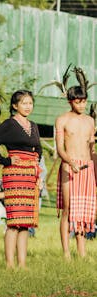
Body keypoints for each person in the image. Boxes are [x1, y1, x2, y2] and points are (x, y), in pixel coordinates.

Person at [0, 90, 42, 269]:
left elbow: (38, 149)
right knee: (14, 221)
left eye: (30, 103)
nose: (28, 106)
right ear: (15, 106)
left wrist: (36, 167)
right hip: (15, 174)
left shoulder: (33, 125)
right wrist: (5, 160)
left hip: (30, 175)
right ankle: (10, 264)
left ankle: (22, 264)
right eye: (24, 103)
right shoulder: (9, 124)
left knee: (25, 222)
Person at [55, 85, 96, 259]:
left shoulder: (90, 121)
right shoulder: (62, 120)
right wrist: (70, 162)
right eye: (78, 102)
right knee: (68, 209)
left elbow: (92, 149)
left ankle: (82, 252)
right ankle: (66, 253)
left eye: (84, 101)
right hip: (68, 165)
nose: (82, 105)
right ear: (70, 101)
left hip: (87, 167)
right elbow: (59, 148)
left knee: (84, 212)